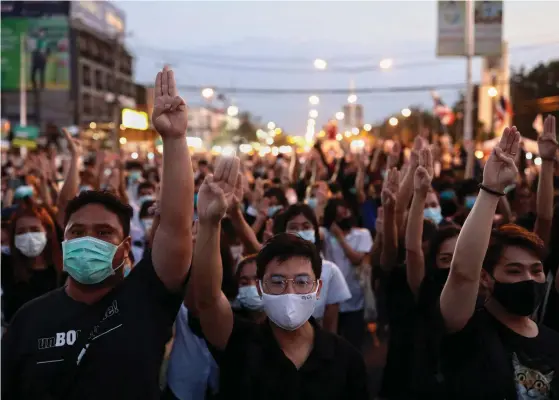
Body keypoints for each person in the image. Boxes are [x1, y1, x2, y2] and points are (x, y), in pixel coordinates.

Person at [2, 66, 194, 400]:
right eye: (78, 232)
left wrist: (174, 140)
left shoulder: (146, 299)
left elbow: (176, 226)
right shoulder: (28, 321)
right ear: (63, 241)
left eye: (104, 233)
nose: (88, 240)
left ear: (125, 246)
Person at [191, 156, 369, 399]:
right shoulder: (239, 342)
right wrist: (210, 223)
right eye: (277, 282)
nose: (290, 291)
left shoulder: (346, 359)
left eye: (301, 281)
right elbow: (208, 299)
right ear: (261, 287)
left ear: (318, 289)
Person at [438, 127, 559, 399]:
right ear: (486, 277)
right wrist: (491, 190)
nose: (528, 278)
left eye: (536, 270)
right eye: (514, 270)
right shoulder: (466, 328)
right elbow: (461, 274)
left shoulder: (553, 341)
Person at [273, 203, 351, 332]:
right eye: (293, 227)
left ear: (315, 231)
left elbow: (330, 329)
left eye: (306, 227)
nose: (300, 232)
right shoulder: (272, 270)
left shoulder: (330, 271)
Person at [322, 198, 373, 350]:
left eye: (345, 213)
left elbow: (357, 259)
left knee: (353, 344)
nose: (343, 218)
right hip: (330, 301)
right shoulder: (326, 235)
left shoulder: (362, 234)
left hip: (354, 298)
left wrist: (340, 238)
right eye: (338, 216)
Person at [1, 201, 63, 323]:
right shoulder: (6, 265)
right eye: (21, 232)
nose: (28, 236)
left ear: (47, 232)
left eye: (34, 230)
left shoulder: (63, 267)